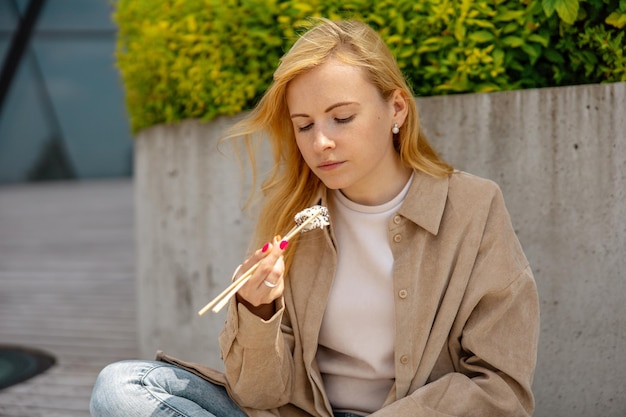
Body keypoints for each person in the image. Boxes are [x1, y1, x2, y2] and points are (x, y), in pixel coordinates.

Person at [90, 18, 539, 417]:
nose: (320, 141)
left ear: (396, 109)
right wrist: (257, 310)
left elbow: (500, 387)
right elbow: (257, 394)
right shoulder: (295, 213)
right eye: (304, 125)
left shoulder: (472, 206)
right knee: (120, 388)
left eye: (341, 117)